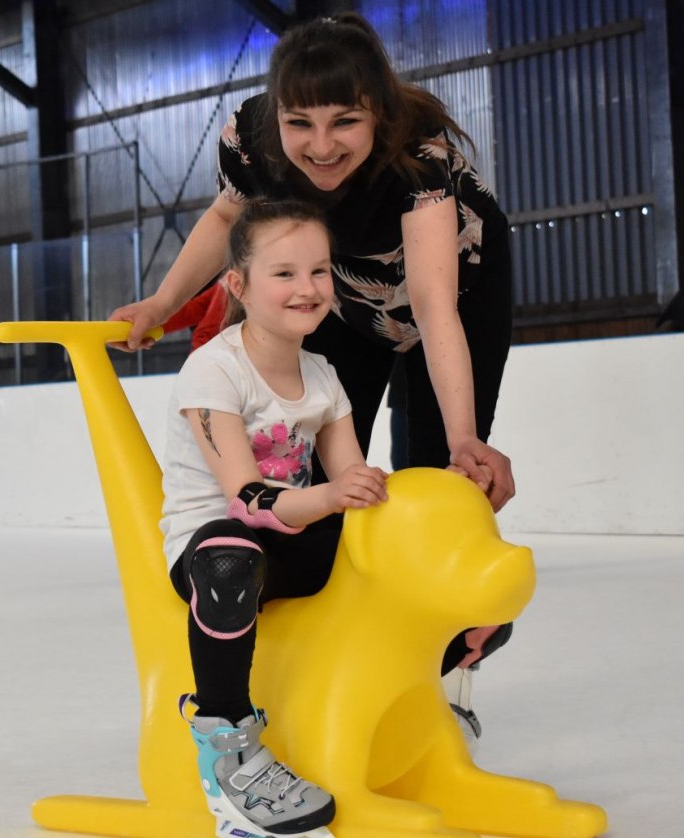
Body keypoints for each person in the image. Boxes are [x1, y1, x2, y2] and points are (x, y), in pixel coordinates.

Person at [113, 12, 515, 742]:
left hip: (454, 294)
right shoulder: (251, 134)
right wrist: (163, 302)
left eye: (345, 123)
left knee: (431, 481)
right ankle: (320, 665)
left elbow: (432, 306)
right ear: (277, 114)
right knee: (327, 487)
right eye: (302, 123)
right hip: (343, 292)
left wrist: (465, 439)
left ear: (379, 115)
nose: (321, 146)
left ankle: (444, 674)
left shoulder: (419, 161)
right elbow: (226, 212)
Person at [163, 198, 406, 835]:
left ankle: (418, 702)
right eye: (285, 273)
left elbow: (354, 493)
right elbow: (249, 501)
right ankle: (227, 751)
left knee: (397, 553)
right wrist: (331, 498)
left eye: (320, 272)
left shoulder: (323, 376)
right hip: (211, 555)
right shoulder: (213, 368)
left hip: (288, 544)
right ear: (239, 285)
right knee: (230, 548)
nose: (308, 288)